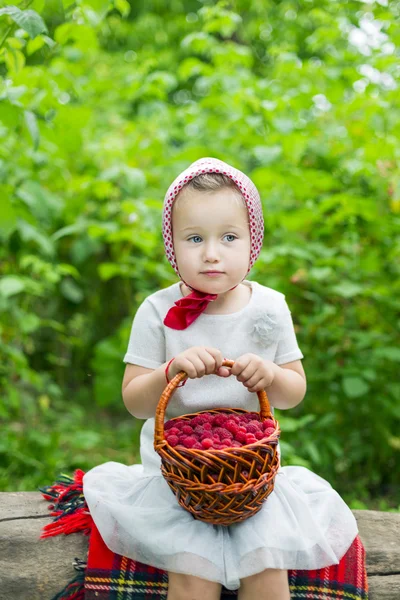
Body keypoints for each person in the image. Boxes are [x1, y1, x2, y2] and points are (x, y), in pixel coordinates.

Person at [83, 157, 358, 600]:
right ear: (171, 245)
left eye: (229, 237)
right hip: (176, 475)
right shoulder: (156, 311)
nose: (212, 253)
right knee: (193, 573)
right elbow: (135, 401)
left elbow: (293, 393)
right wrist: (170, 370)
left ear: (253, 242)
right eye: (195, 238)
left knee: (266, 570)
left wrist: (268, 375)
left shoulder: (269, 307)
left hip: (250, 473)